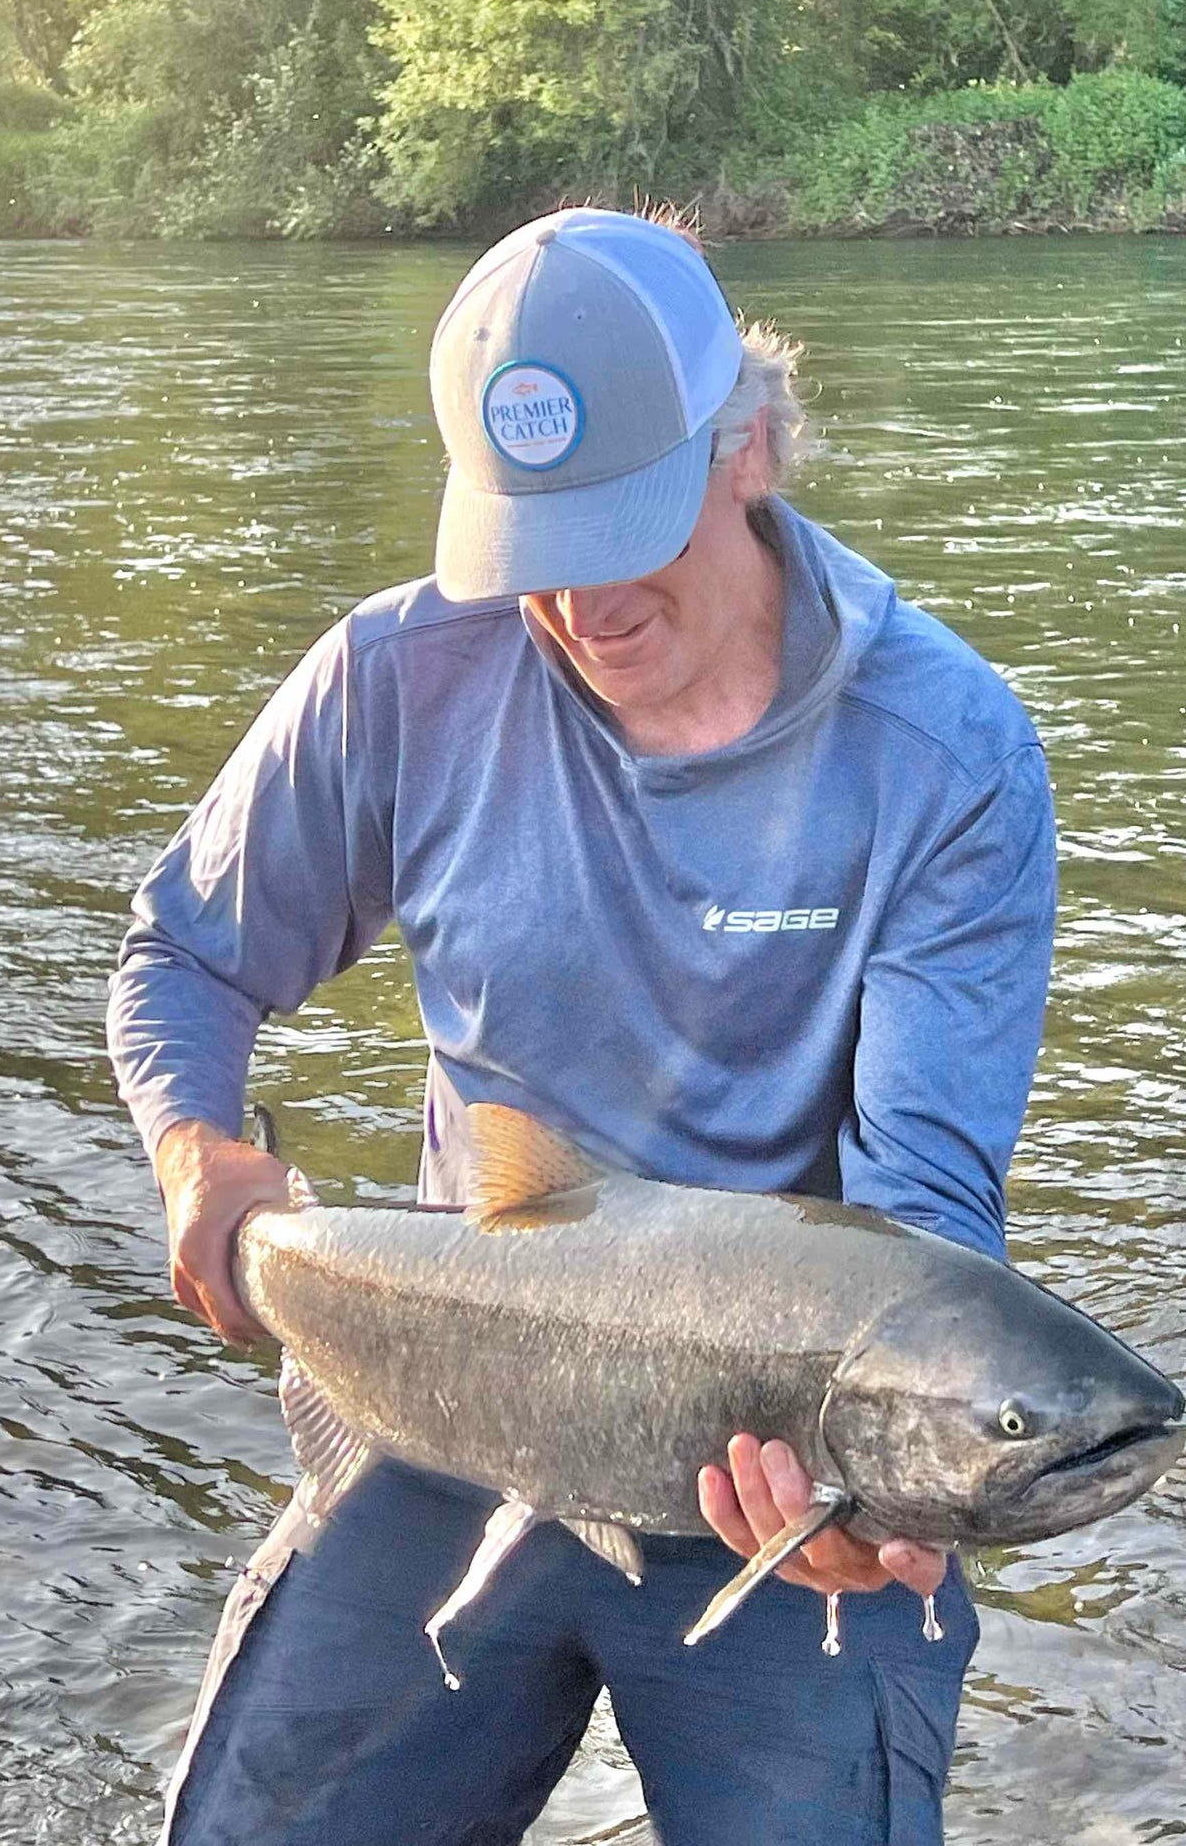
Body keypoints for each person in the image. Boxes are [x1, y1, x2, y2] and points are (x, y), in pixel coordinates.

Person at [108, 206, 1058, 1846]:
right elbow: (182, 959)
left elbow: (923, 1218)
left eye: (628, 527)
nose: (585, 605)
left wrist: (884, 1484)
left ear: (748, 447)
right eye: (535, 550)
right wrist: (201, 1155)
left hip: (768, 1447)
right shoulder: (401, 679)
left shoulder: (946, 755)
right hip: (447, 1401)